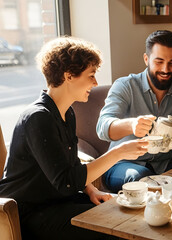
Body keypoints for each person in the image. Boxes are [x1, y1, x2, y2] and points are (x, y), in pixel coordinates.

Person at [0, 37, 149, 239]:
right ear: (69, 75)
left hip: (57, 200)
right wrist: (119, 153)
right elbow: (66, 182)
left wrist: (90, 191)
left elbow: (70, 164)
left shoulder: (67, 113)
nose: (95, 83)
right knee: (117, 228)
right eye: (91, 75)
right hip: (30, 212)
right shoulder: (38, 118)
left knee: (128, 213)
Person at [97, 30, 172, 192]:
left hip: (167, 163)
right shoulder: (125, 86)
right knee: (142, 178)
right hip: (125, 164)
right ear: (146, 59)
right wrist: (131, 125)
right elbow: (102, 127)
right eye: (159, 61)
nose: (166, 69)